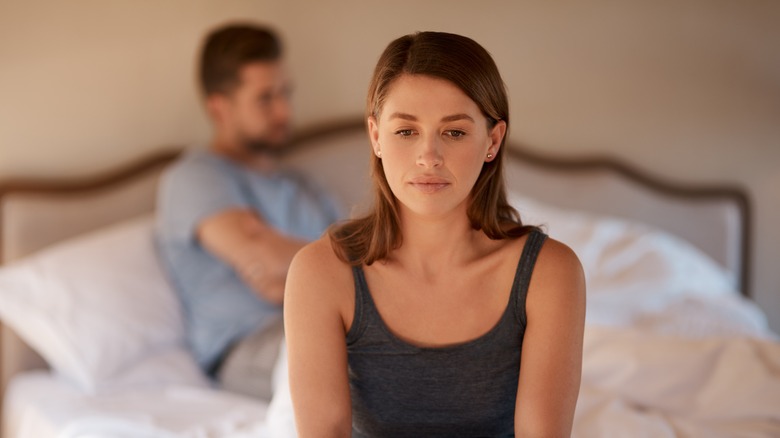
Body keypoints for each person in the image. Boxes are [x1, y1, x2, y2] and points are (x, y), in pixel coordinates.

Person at [284, 31, 586, 437]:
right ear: (376, 136)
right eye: (406, 131)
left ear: (492, 141)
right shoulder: (321, 273)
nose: (429, 157)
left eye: (455, 132)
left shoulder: (549, 274)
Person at [155, 22, 341, 400]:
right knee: (368, 369)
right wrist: (327, 272)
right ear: (219, 107)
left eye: (285, 93)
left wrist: (292, 281)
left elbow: (368, 259)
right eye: (265, 98)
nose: (284, 110)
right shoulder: (194, 177)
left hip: (331, 322)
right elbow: (267, 256)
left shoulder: (302, 184)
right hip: (251, 345)